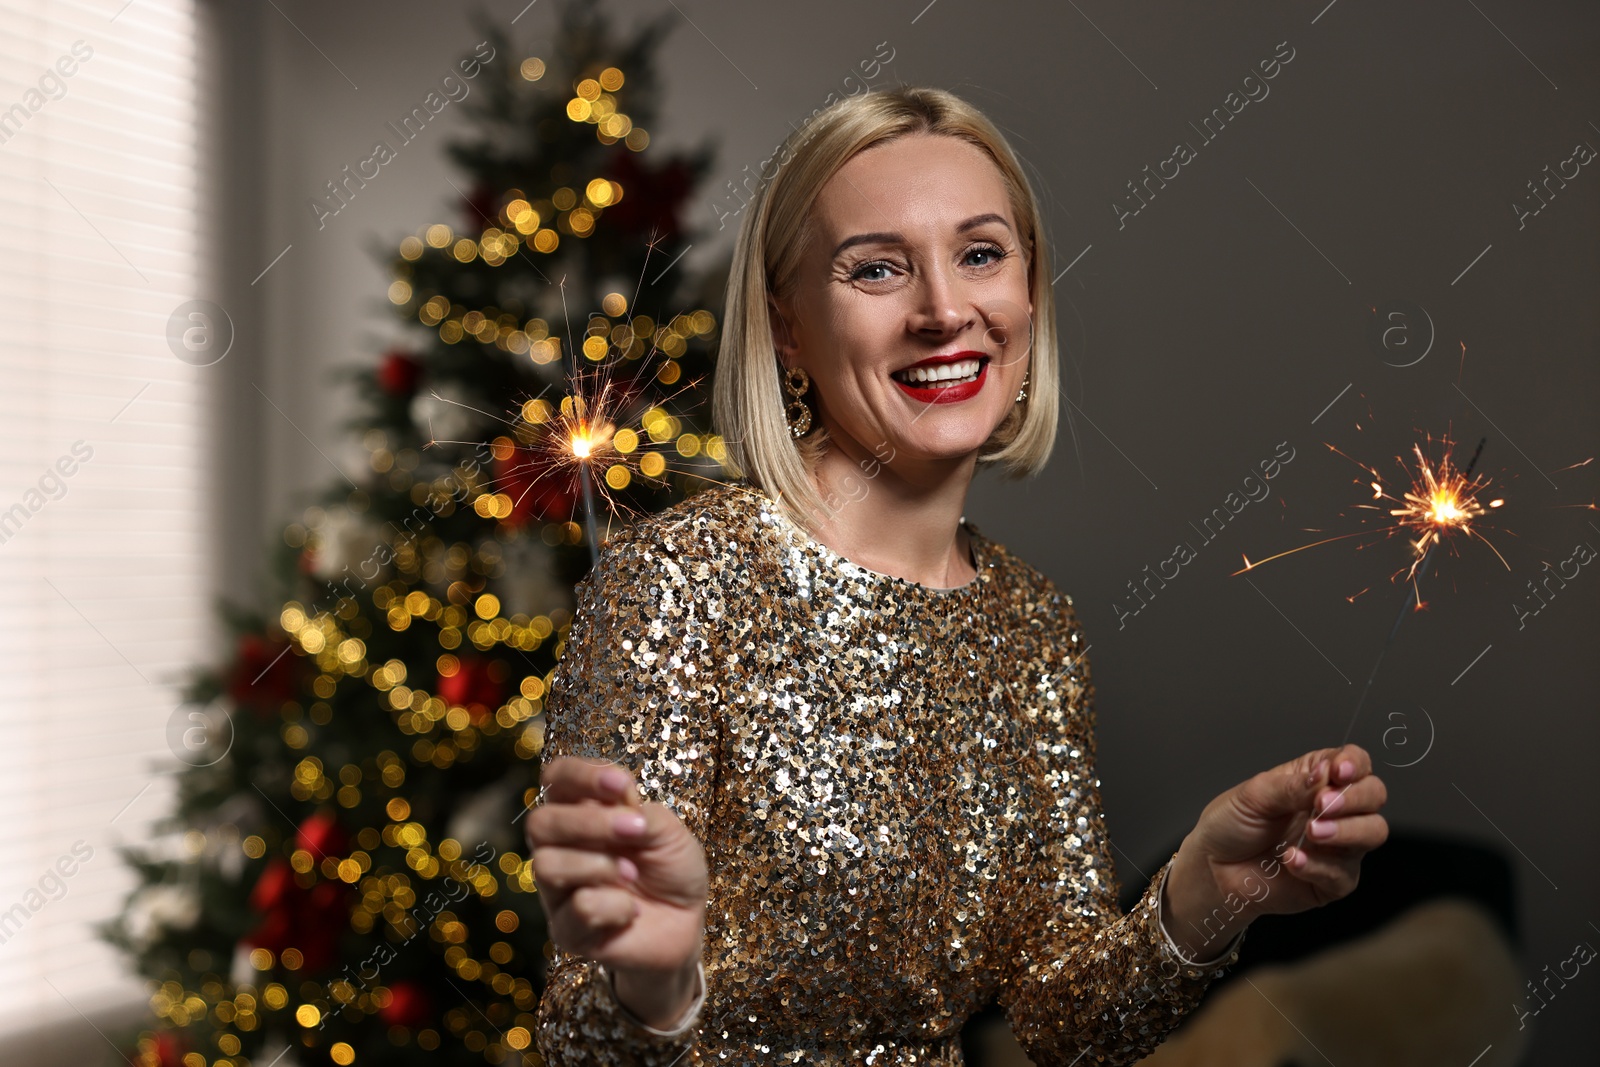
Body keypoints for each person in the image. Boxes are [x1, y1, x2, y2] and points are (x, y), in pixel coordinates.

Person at [525, 85, 1388, 1065]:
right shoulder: (678, 582)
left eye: (980, 253)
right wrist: (654, 987)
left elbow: (1067, 1021)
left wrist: (1208, 888)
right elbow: (576, 1043)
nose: (944, 311)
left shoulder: (1032, 621)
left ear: (1027, 294)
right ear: (787, 330)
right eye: (876, 268)